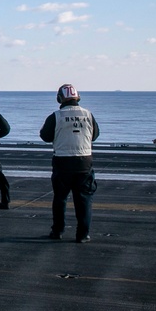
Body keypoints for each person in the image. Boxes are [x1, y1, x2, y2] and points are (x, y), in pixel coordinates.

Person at [40, 84, 100, 243]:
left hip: (62, 160)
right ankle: (83, 234)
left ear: (60, 98)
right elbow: (95, 135)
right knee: (84, 199)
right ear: (77, 97)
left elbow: (45, 136)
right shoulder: (88, 114)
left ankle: (58, 231)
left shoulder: (56, 116)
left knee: (60, 198)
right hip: (84, 160)